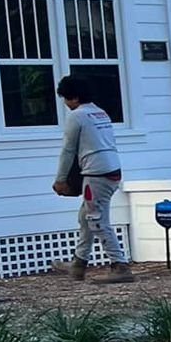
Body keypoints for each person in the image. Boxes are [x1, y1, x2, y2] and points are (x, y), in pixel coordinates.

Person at [51, 75, 133, 282]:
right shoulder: (100, 112)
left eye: (66, 98)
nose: (65, 103)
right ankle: (78, 263)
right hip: (111, 169)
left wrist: (61, 179)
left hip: (96, 174)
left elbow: (68, 150)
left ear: (75, 97)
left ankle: (120, 266)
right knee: (85, 216)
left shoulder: (77, 116)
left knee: (96, 219)